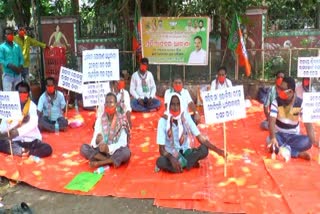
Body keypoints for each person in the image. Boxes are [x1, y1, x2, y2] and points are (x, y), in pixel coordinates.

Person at [155, 93, 225, 173]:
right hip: (171, 153)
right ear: (169, 106)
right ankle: (185, 164)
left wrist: (218, 150)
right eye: (173, 104)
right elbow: (162, 149)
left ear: (181, 105)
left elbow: (200, 137)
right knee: (160, 161)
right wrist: (171, 158)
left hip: (185, 151)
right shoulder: (163, 121)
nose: (175, 107)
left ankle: (181, 165)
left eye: (178, 104)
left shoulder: (185, 116)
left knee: (204, 149)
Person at [267, 76, 315, 161]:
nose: (279, 91)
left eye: (282, 89)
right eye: (279, 88)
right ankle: (296, 153)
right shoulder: (276, 102)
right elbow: (271, 121)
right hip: (279, 135)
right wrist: (273, 138)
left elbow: (308, 124)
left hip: (294, 136)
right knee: (269, 140)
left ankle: (283, 149)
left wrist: (314, 141)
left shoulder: (300, 103)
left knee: (308, 141)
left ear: (291, 92)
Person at [0, 81, 52, 157]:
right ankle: (21, 151)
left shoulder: (32, 106)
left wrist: (18, 131)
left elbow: (33, 123)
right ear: (16, 93)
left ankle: (27, 152)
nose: (22, 94)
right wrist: (13, 127)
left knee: (47, 149)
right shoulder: (9, 106)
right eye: (20, 92)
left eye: (25, 92)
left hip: (31, 140)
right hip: (16, 141)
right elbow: (3, 127)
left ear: (28, 94)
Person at [80, 93, 131, 168]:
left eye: (111, 102)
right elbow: (95, 139)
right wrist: (98, 142)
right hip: (101, 151)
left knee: (126, 152)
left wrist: (108, 148)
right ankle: (109, 161)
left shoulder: (122, 120)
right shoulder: (100, 119)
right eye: (106, 102)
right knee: (83, 148)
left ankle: (99, 163)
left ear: (116, 105)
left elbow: (123, 142)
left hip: (114, 151)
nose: (108, 105)